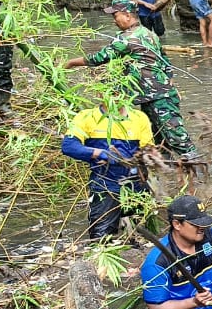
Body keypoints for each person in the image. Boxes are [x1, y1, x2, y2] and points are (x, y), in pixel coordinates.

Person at [61, 0, 201, 162]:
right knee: (158, 139)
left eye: (116, 15)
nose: (114, 20)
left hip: (158, 97)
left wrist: (70, 63)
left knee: (177, 137)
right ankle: (167, 174)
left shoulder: (127, 39)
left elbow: (99, 58)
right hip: (155, 94)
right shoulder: (149, 33)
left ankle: (201, 170)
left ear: (128, 15)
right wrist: (171, 84)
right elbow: (166, 63)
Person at [60, 103, 153, 240]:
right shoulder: (87, 117)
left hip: (136, 184)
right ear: (99, 91)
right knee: (101, 239)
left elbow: (148, 149)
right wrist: (100, 153)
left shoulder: (139, 117)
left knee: (140, 236)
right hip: (105, 185)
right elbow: (69, 146)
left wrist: (146, 157)